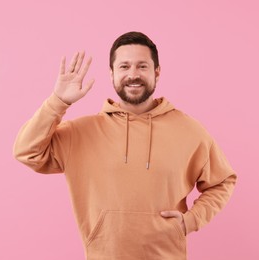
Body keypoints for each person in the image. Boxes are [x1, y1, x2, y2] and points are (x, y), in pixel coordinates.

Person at [13, 31, 237, 260]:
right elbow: (26, 151)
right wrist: (57, 102)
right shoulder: (80, 133)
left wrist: (191, 221)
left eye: (142, 66)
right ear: (111, 74)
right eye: (124, 67)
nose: (133, 75)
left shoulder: (190, 131)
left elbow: (223, 181)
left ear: (156, 72)